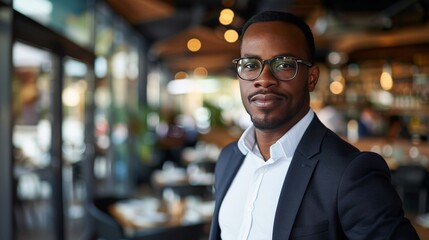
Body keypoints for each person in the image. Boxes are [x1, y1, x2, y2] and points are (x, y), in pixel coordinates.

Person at [208, 11, 419, 240]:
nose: (264, 78)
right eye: (250, 64)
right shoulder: (228, 159)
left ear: (311, 77)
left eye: (284, 64)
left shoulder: (350, 173)